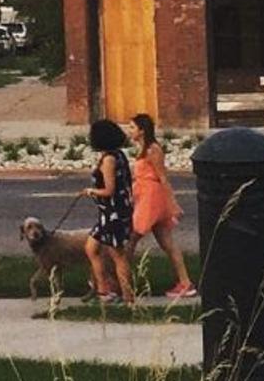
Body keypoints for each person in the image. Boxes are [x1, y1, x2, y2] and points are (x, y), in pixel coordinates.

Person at [128, 113, 195, 299]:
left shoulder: (152, 150)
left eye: (132, 127)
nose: (129, 131)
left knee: (132, 236)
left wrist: (172, 204)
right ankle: (185, 282)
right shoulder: (141, 149)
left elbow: (162, 177)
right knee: (166, 242)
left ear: (142, 130)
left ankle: (121, 279)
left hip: (152, 196)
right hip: (143, 193)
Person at [80, 118, 136, 306]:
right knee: (91, 248)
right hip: (109, 213)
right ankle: (103, 290)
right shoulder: (118, 154)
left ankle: (128, 297)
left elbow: (109, 189)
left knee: (118, 255)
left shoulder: (109, 160)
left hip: (113, 214)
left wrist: (91, 191)